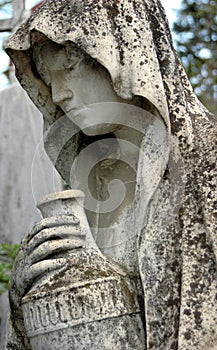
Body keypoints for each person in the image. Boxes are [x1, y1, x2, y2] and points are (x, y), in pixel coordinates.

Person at [4, 0, 216, 349]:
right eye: (47, 76)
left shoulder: (207, 160)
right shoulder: (89, 180)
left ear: (126, 53)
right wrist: (27, 290)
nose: (59, 94)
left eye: (69, 68)